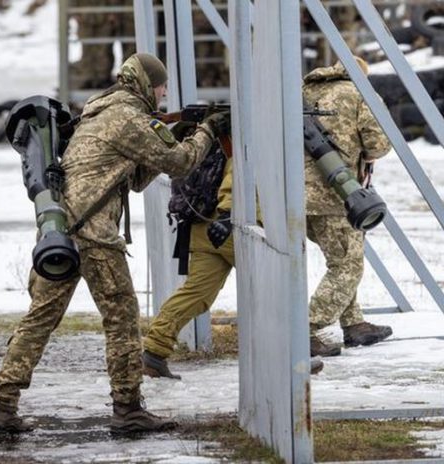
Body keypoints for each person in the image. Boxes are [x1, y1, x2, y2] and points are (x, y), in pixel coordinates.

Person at [0, 53, 220, 435]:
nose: (163, 94)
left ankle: (3, 405)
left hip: (61, 230)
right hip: (93, 234)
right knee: (122, 318)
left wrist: (170, 134)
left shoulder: (102, 109)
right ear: (147, 83)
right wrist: (206, 132)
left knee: (40, 319)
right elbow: (179, 164)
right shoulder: (128, 115)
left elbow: (136, 176)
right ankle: (128, 409)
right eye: (161, 86)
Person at [141, 141, 325, 378]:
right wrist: (228, 214)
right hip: (232, 226)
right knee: (276, 290)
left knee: (196, 294)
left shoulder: (210, 139)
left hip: (202, 227)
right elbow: (236, 176)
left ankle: (154, 352)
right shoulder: (245, 136)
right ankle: (297, 355)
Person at [303, 58, 393, 357]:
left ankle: (353, 324)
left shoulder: (304, 90)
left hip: (297, 196)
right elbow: (378, 143)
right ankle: (306, 328)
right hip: (336, 194)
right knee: (348, 265)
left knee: (341, 258)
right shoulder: (358, 93)